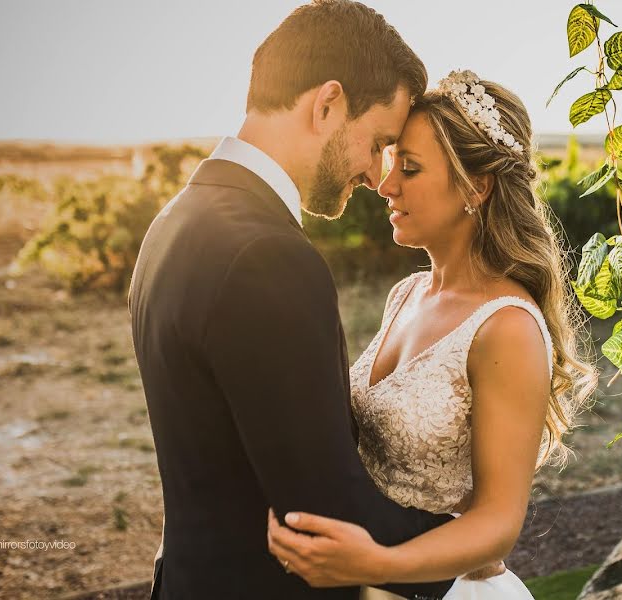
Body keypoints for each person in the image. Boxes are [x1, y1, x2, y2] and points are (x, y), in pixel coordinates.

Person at [127, 2, 470, 598]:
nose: (373, 174)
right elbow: (324, 510)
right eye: (377, 142)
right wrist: (463, 552)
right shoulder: (269, 257)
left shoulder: (173, 222)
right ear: (327, 104)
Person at [266, 70, 599, 599]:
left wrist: (379, 562)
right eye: (392, 161)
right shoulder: (407, 294)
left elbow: (497, 525)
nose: (386, 183)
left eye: (411, 168)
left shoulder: (506, 326)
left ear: (477, 186)